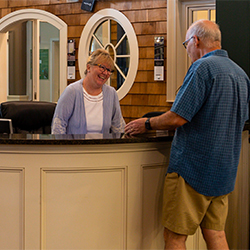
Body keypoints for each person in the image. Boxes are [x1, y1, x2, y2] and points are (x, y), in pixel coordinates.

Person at [125, 19, 250, 249]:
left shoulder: (202, 68)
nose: (188, 51)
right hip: (224, 172)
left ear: (196, 40)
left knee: (174, 237)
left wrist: (148, 124)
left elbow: (177, 117)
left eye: (186, 44)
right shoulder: (241, 75)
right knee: (217, 235)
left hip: (193, 171)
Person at [52, 49, 125, 134]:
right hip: (75, 146)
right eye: (102, 67)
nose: (105, 73)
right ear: (88, 67)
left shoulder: (111, 94)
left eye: (109, 70)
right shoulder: (72, 91)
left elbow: (118, 128)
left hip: (102, 147)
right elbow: (58, 127)